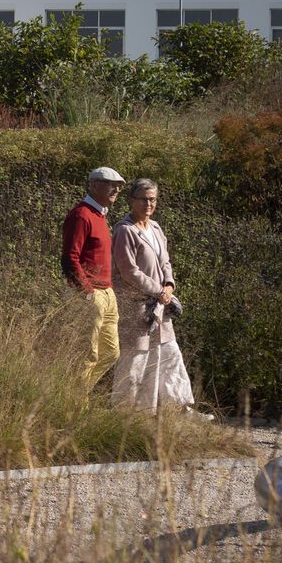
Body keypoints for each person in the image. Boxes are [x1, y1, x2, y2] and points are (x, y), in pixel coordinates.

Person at [110, 178, 208, 417]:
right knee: (136, 358)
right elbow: (128, 271)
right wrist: (158, 291)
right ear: (132, 200)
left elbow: (165, 262)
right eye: (143, 199)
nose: (148, 204)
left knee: (169, 353)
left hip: (161, 305)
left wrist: (169, 285)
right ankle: (128, 413)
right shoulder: (125, 230)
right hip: (137, 306)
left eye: (152, 199)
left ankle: (180, 409)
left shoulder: (155, 228)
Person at [62, 166, 122, 389]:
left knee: (111, 353)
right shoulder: (81, 215)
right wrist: (87, 293)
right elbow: (70, 258)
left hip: (107, 292)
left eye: (119, 186)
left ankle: (77, 392)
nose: (116, 189)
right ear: (94, 185)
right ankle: (76, 402)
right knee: (88, 354)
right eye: (111, 184)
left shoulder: (100, 215)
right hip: (90, 293)